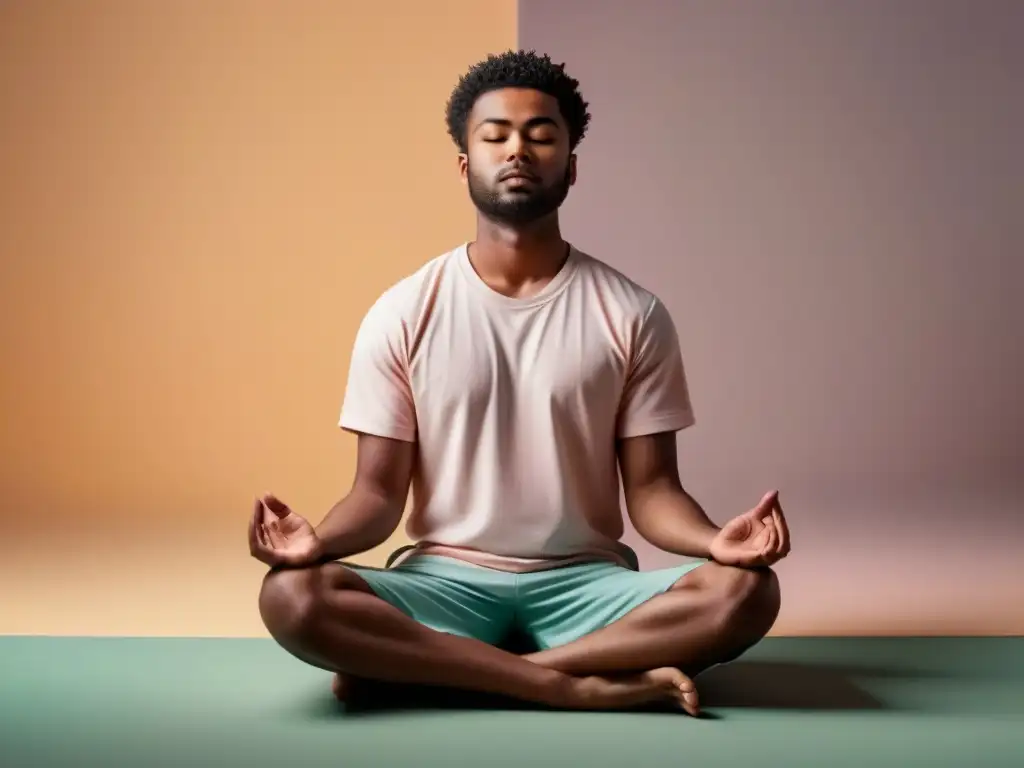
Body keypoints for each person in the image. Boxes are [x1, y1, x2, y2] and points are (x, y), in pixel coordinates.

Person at [249, 49, 790, 716]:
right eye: (495, 135)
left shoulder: (632, 314)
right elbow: (377, 493)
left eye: (541, 136)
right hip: (444, 583)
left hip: (585, 586)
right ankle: (571, 685)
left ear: (571, 165)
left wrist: (716, 544)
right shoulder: (402, 312)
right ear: (463, 164)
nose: (518, 150)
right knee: (290, 596)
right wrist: (317, 544)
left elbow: (652, 493)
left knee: (747, 591)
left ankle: (439, 672)